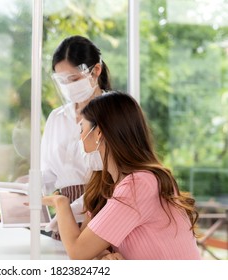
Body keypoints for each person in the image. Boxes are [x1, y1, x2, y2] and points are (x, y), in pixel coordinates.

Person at [42, 91, 201, 260]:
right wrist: (103, 253)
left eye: (82, 129)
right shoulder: (110, 184)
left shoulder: (140, 184)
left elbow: (78, 251)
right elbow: (86, 243)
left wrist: (60, 202)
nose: (79, 138)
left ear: (99, 133)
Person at [41, 35, 112, 239]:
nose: (68, 87)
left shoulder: (115, 113)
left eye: (73, 79)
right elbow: (49, 172)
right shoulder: (57, 117)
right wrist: (30, 189)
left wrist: (72, 208)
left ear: (95, 70)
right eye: (62, 81)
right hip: (64, 219)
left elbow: (117, 178)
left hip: (103, 214)